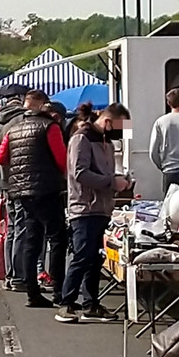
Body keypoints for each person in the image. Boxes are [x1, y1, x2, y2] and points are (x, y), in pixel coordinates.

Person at [57, 104, 130, 323]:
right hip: (85, 207)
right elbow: (80, 173)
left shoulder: (106, 142)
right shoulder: (82, 139)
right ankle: (66, 303)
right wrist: (111, 181)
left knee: (95, 258)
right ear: (108, 122)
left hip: (102, 207)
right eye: (119, 127)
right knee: (82, 256)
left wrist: (121, 180)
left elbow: (104, 171)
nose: (121, 134)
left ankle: (91, 304)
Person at [0, 90, 68, 308]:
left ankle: (32, 292)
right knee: (57, 238)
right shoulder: (49, 127)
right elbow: (62, 160)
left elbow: (0, 157)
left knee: (31, 240)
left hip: (20, 190)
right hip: (46, 188)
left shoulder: (14, 128)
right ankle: (58, 289)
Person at [0, 93, 29, 291]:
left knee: (12, 228)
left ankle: (10, 273)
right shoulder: (21, 120)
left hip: (4, 179)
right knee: (21, 228)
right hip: (19, 179)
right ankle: (17, 275)